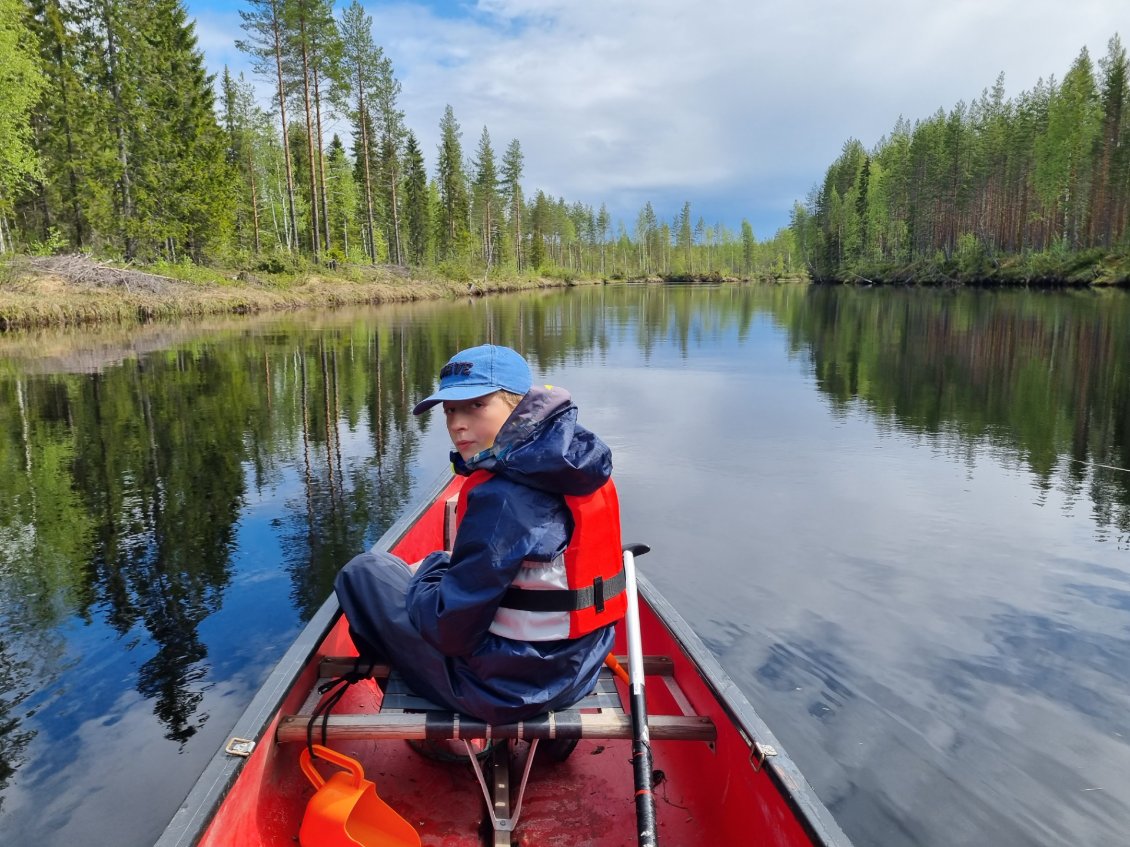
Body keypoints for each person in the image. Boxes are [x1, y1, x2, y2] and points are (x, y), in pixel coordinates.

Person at [334, 344, 626, 727]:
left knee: (364, 573)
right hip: (578, 668)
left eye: (476, 406)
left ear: (518, 406)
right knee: (435, 569)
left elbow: (448, 631)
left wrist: (431, 572)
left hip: (502, 690)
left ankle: (408, 679)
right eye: (450, 410)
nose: (457, 423)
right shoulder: (577, 464)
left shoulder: (500, 496)